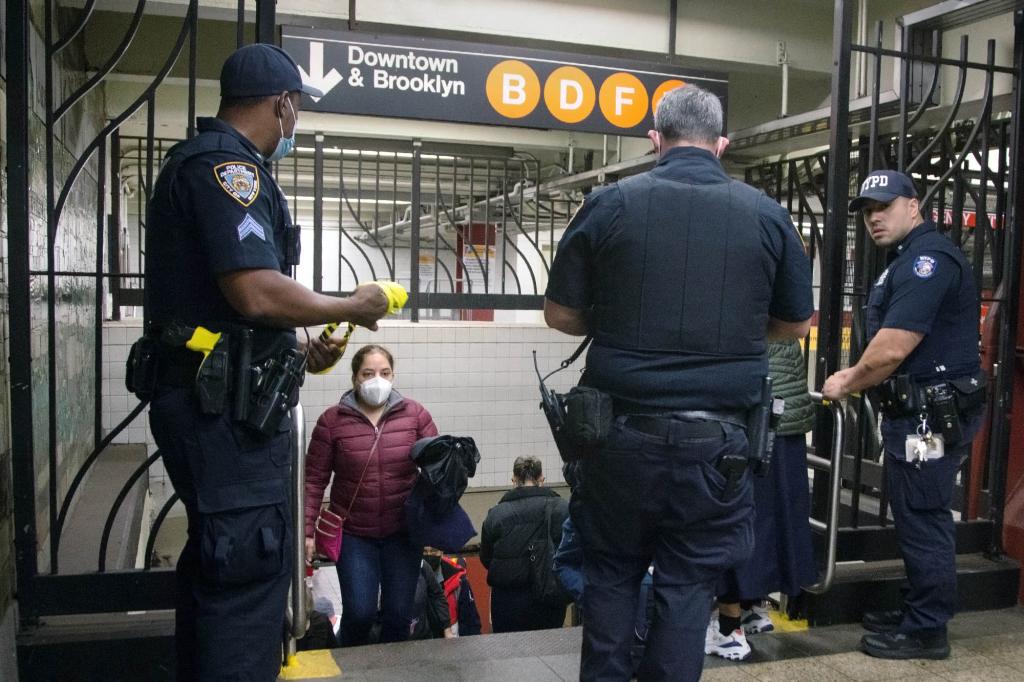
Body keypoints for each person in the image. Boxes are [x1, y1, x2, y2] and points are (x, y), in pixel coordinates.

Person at [544, 83, 813, 681]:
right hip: (719, 450)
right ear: (722, 144)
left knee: (610, 575)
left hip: (618, 438)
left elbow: (560, 314)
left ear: (654, 140)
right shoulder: (767, 214)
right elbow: (796, 322)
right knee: (688, 589)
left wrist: (618, 322)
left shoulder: (611, 203)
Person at [144, 43, 388, 681]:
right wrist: (351, 304)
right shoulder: (229, 169)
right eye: (297, 108)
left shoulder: (213, 164)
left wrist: (305, 348)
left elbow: (232, 314)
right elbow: (252, 289)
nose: (297, 121)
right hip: (221, 417)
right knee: (248, 572)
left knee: (222, 571)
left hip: (219, 399)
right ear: (282, 104)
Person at [823, 170, 985, 661]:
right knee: (916, 514)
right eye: (868, 210)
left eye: (885, 206)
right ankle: (920, 608)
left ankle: (927, 630)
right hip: (919, 414)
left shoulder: (927, 262)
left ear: (913, 206)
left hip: (932, 417)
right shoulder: (905, 259)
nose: (875, 217)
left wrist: (847, 381)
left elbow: (893, 348)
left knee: (924, 517)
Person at [303, 344, 439, 647]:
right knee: (360, 613)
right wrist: (307, 532)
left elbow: (436, 471)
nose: (377, 379)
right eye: (368, 373)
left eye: (385, 373)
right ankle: (350, 668)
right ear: (354, 378)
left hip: (402, 533)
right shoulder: (331, 422)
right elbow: (314, 480)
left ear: (393, 375)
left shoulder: (416, 415)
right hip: (354, 535)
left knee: (399, 615)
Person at [707, 337, 818, 661]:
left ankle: (727, 628)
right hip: (785, 416)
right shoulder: (782, 292)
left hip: (749, 415)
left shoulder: (734, 292)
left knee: (731, 515)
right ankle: (754, 608)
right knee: (773, 517)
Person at [480, 456, 570, 633]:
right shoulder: (562, 508)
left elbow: (486, 558)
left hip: (507, 601)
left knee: (510, 654)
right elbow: (570, 552)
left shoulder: (496, 514)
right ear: (541, 480)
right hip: (549, 596)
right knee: (548, 652)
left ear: (514, 480)